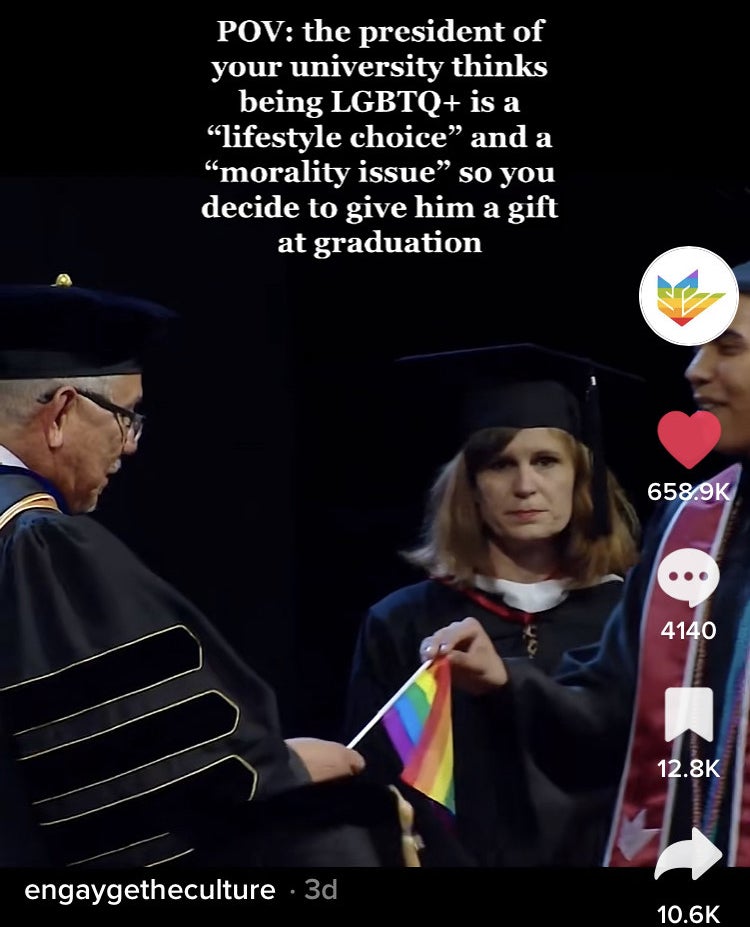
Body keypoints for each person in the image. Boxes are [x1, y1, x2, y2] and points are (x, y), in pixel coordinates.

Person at [0, 274, 416, 869]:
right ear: (62, 411)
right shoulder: (36, 543)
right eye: (127, 415)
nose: (131, 444)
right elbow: (130, 765)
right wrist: (281, 769)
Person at [418, 258, 750, 867]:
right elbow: (613, 712)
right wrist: (505, 680)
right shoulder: (692, 529)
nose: (695, 369)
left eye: (727, 347)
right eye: (499, 465)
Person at [343, 344, 643, 866]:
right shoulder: (403, 621)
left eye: (546, 462)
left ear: (581, 478)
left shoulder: (630, 615)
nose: (525, 486)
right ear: (472, 490)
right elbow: (377, 789)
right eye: (501, 465)